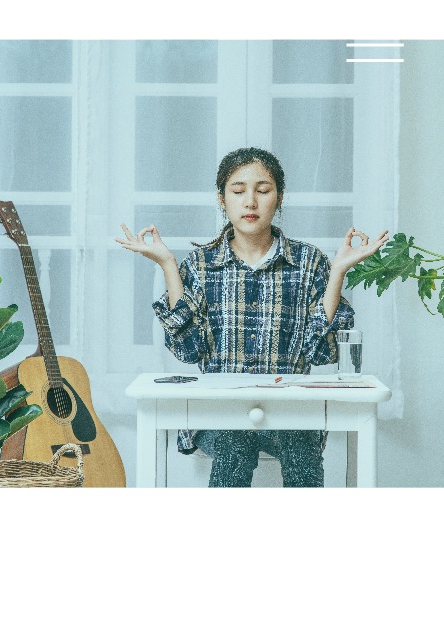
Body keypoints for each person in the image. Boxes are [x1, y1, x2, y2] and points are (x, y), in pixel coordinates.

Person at [114, 147, 389, 487]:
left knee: (300, 447)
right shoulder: (199, 265)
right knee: (235, 440)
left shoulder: (309, 262)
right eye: (238, 191)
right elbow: (188, 352)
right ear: (221, 198)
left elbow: (321, 354)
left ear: (280, 197)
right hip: (218, 417)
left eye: (262, 190)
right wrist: (168, 265)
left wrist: (338, 273)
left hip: (290, 416)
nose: (250, 202)